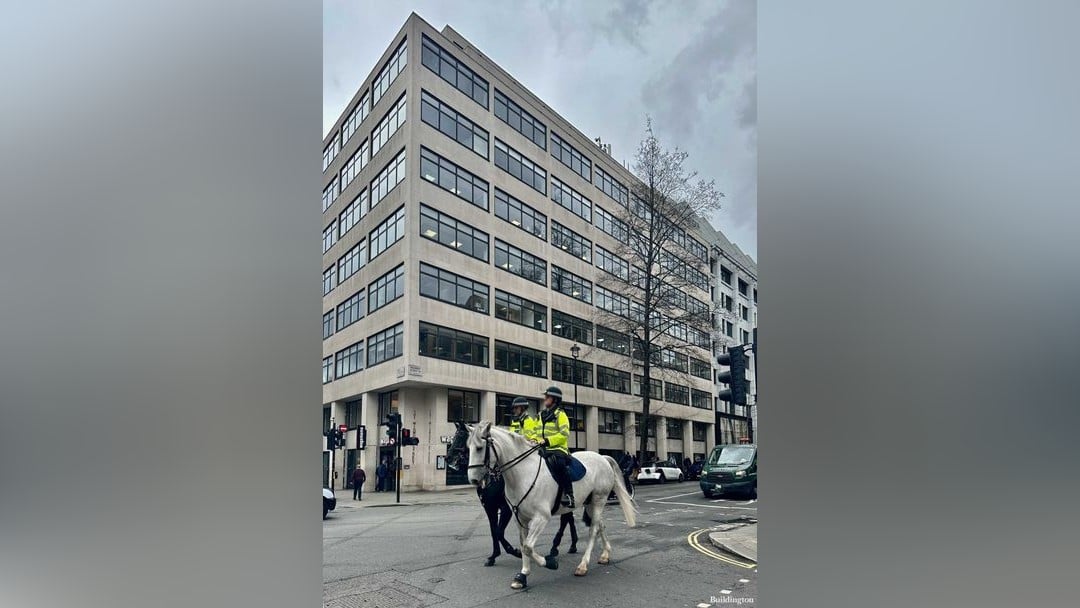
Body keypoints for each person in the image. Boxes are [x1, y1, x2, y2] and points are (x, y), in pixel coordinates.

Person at [534, 385, 574, 508]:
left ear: (555, 399)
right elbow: (536, 432)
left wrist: (548, 441)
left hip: (558, 449)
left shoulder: (561, 415)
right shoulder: (540, 415)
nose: (545, 398)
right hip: (542, 448)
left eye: (547, 397)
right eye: (545, 396)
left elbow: (564, 434)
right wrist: (534, 440)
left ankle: (569, 495)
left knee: (558, 464)